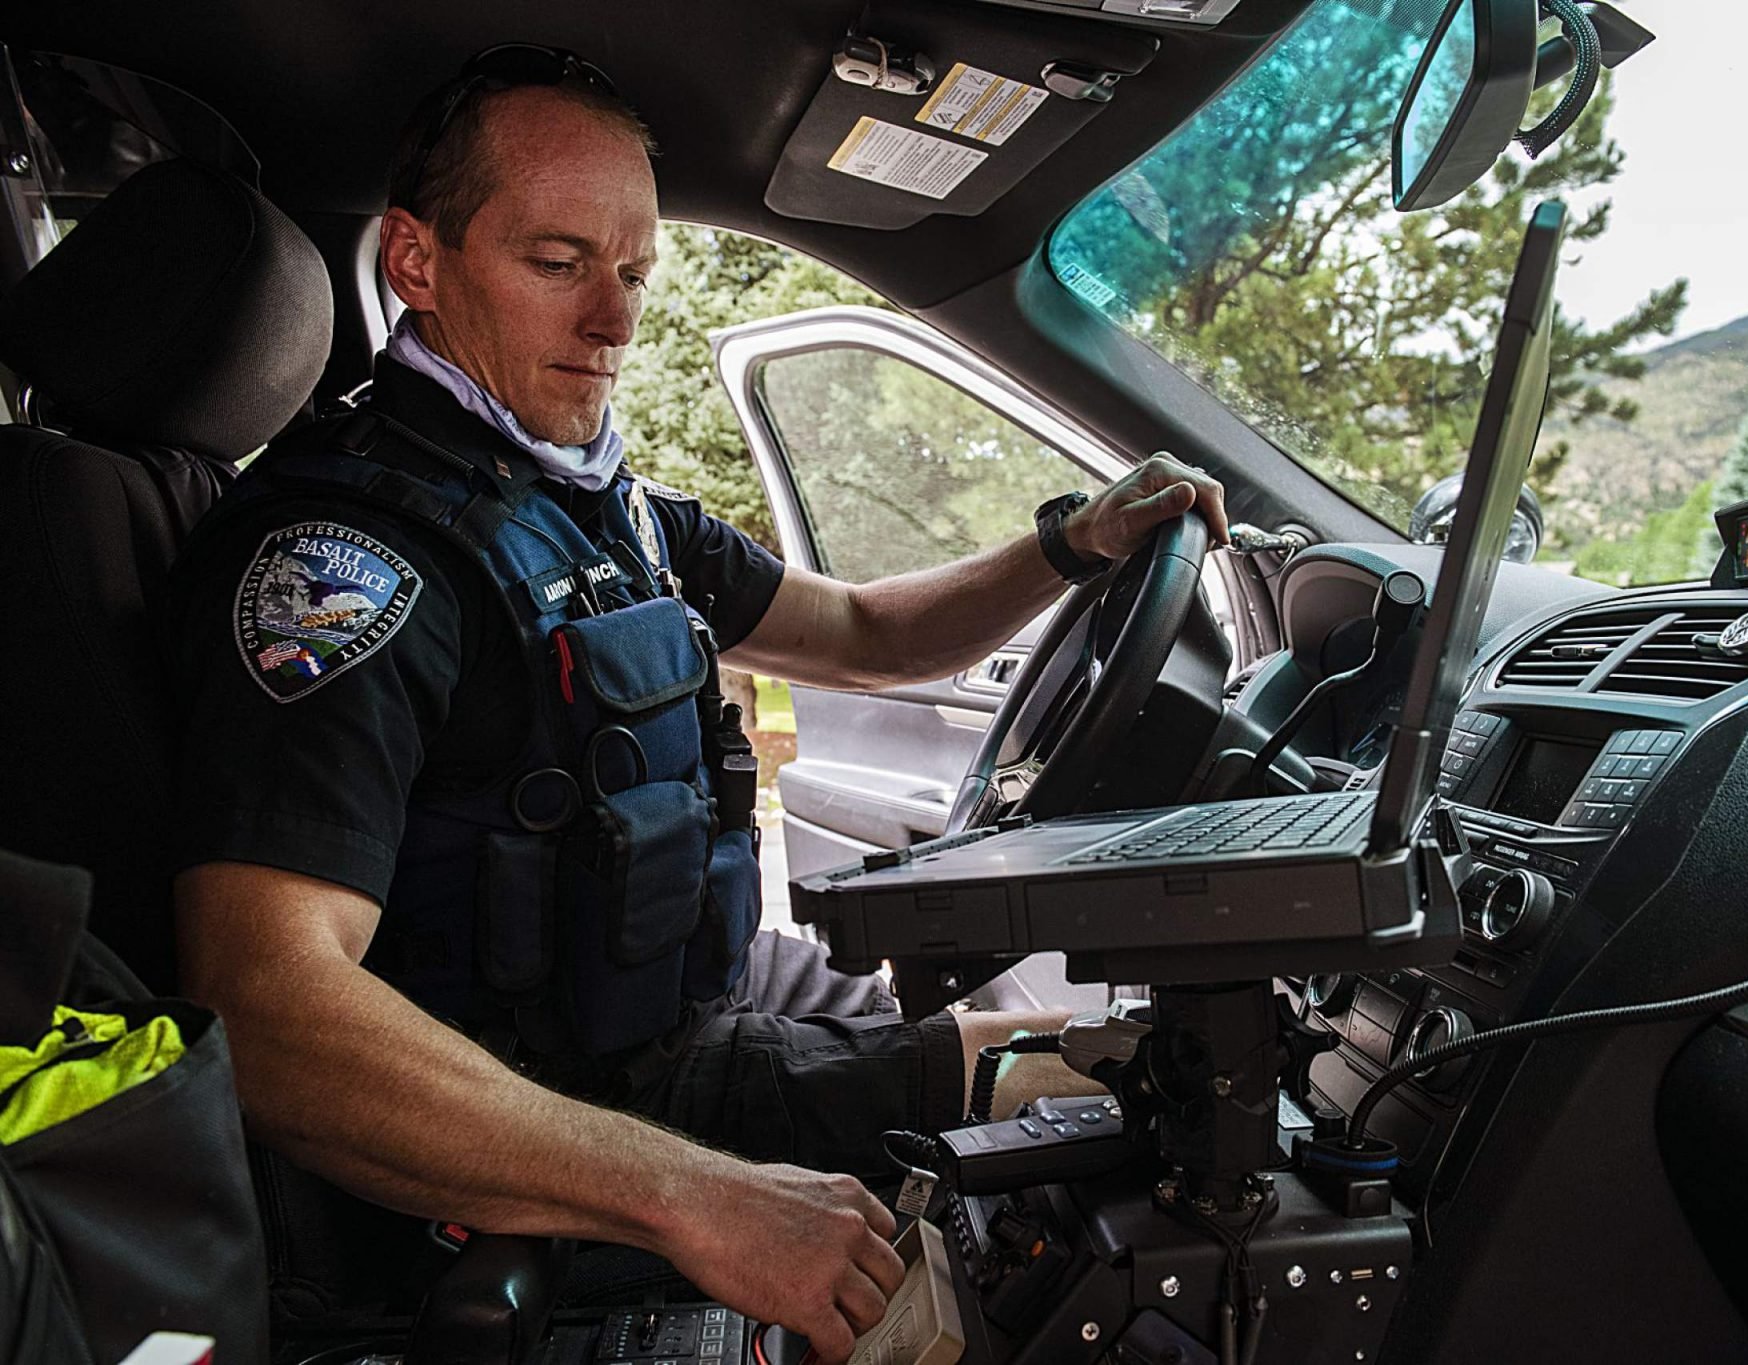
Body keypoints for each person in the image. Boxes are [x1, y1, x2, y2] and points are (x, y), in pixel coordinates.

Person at [164, 45, 1229, 1362]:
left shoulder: (600, 513)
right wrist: (695, 1195)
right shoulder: (348, 561)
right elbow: (265, 1005)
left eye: (632, 273)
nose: (614, 320)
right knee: (1065, 1209)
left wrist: (1075, 545)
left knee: (1101, 1070)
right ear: (418, 263)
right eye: (558, 264)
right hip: (526, 1156)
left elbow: (864, 630)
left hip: (674, 1037)